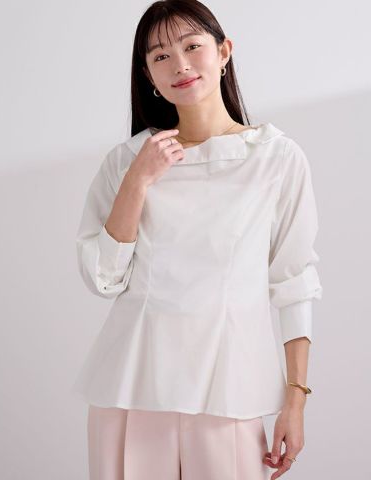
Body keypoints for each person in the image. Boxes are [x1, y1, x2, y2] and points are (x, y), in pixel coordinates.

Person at [72, 1, 323, 479]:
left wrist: (296, 402)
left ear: (224, 51)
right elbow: (103, 278)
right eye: (161, 56)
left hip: (228, 391)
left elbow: (293, 282)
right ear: (147, 73)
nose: (180, 65)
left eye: (192, 47)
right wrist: (138, 181)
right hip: (131, 387)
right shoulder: (127, 160)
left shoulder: (276, 157)